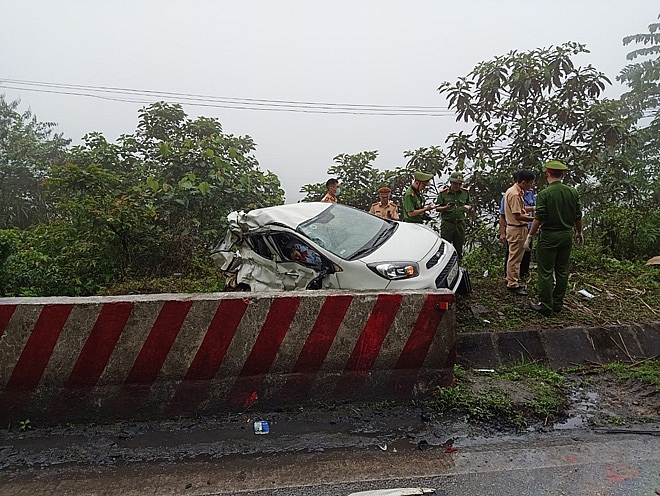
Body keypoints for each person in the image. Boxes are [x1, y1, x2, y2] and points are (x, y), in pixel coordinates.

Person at [525, 160, 583, 316]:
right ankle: (558, 304)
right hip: (566, 235)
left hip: (549, 236)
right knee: (562, 271)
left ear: (547, 174)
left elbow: (540, 217)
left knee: (545, 271)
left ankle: (545, 306)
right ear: (563, 174)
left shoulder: (544, 194)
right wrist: (579, 232)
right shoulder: (572, 192)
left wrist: (530, 236)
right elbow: (578, 215)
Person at [503, 170, 536, 295]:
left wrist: (532, 209)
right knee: (515, 258)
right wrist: (534, 219)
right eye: (530, 183)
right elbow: (518, 215)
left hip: (515, 228)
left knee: (514, 256)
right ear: (523, 182)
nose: (531, 186)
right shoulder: (515, 194)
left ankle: (511, 278)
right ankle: (513, 284)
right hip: (517, 228)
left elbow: (519, 209)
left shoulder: (514, 191)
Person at [436, 171, 472, 261]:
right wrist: (446, 208)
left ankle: (458, 265)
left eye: (459, 184)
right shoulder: (443, 194)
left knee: (458, 247)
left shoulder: (465, 193)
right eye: (455, 183)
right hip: (447, 224)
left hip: (460, 224)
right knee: (445, 247)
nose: (457, 186)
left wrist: (467, 208)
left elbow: (469, 204)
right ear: (451, 183)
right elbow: (437, 208)